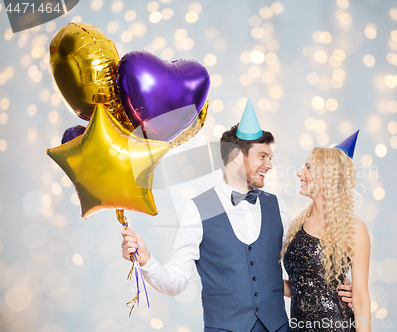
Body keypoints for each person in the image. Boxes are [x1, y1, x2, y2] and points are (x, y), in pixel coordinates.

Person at [121, 100, 353, 331]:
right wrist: (147, 261)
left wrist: (337, 289)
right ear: (234, 156)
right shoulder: (195, 209)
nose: (270, 165)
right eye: (262, 156)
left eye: (270, 158)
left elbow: (301, 270)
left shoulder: (277, 207)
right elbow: (176, 283)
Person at [282, 131, 371, 332]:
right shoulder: (298, 225)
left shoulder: (354, 228)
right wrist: (258, 283)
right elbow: (299, 286)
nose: (299, 173)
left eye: (308, 167)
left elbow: (361, 300)